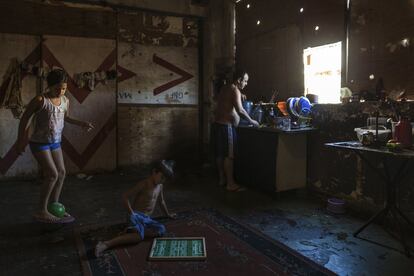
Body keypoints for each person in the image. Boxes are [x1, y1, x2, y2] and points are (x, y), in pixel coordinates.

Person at [16, 68, 94, 223]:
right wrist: (20, 141)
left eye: (64, 88)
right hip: (39, 143)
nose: (61, 91)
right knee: (52, 174)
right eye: (57, 88)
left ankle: (54, 206)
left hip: (55, 142)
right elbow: (24, 119)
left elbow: (66, 117)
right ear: (49, 86)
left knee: (62, 173)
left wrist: (82, 123)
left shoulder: (65, 101)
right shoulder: (41, 100)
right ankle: (41, 210)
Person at [95, 160, 177, 257]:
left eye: (165, 180)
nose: (162, 181)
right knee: (138, 238)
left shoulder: (160, 186)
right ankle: (105, 244)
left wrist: (168, 214)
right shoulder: (144, 184)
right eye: (162, 177)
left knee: (161, 229)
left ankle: (132, 232)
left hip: (146, 219)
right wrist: (132, 213)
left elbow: (161, 201)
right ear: (154, 172)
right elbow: (125, 196)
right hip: (136, 215)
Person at [212, 70, 259, 192]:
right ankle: (230, 184)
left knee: (220, 154)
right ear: (239, 80)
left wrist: (238, 96)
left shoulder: (225, 88)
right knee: (229, 156)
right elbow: (241, 110)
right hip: (226, 126)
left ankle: (222, 179)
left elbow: (221, 101)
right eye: (245, 81)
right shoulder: (235, 90)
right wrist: (252, 121)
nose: (246, 84)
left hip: (217, 124)